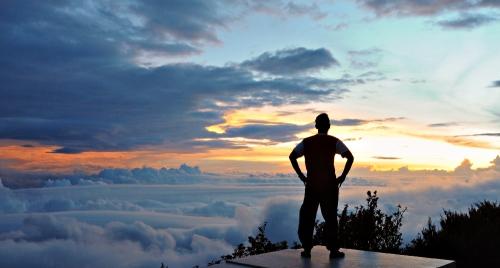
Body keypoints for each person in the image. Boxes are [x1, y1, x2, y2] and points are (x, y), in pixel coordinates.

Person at [289, 113, 354, 259]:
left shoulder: (306, 142)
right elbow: (350, 157)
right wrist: (342, 176)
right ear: (329, 126)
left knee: (307, 217)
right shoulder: (334, 142)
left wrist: (301, 176)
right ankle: (333, 250)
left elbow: (292, 156)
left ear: (316, 126)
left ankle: (306, 250)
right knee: (330, 217)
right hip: (330, 186)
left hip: (311, 186)